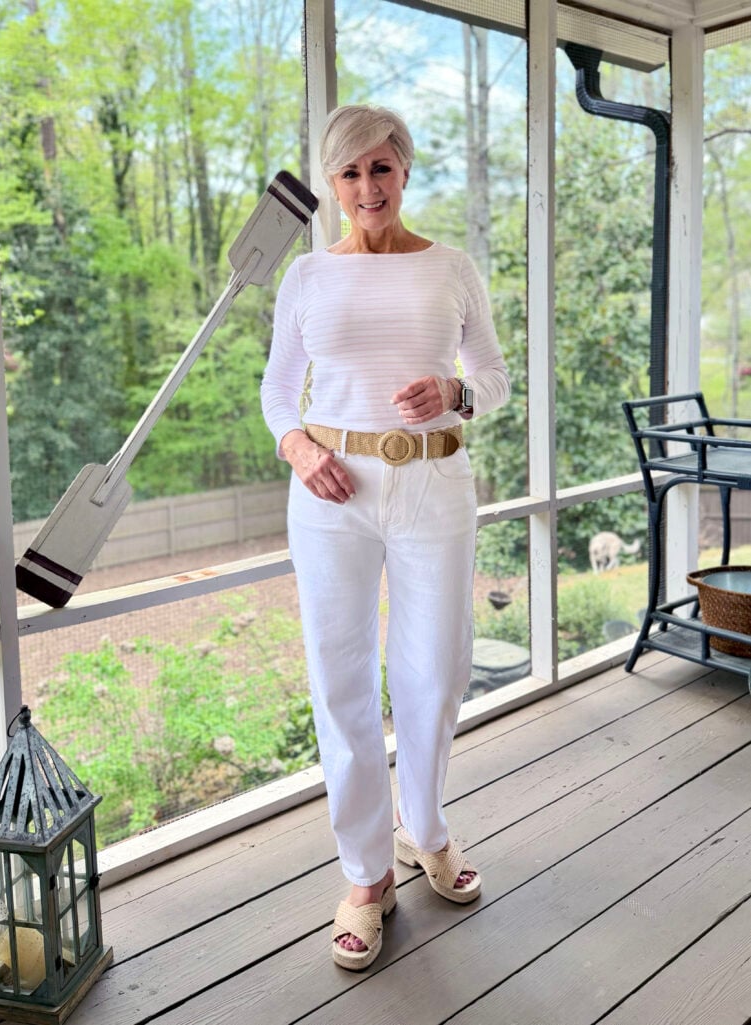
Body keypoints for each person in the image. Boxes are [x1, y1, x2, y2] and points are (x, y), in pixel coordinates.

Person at [260, 104, 510, 971]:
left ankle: (425, 830)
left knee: (434, 672)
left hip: (434, 485)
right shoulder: (305, 280)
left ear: (404, 172)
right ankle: (366, 875)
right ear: (331, 185)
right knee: (341, 682)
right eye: (350, 173)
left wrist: (453, 391)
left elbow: (494, 377)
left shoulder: (451, 267)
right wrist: (296, 445)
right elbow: (276, 392)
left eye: (382, 169)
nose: (367, 187)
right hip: (332, 491)